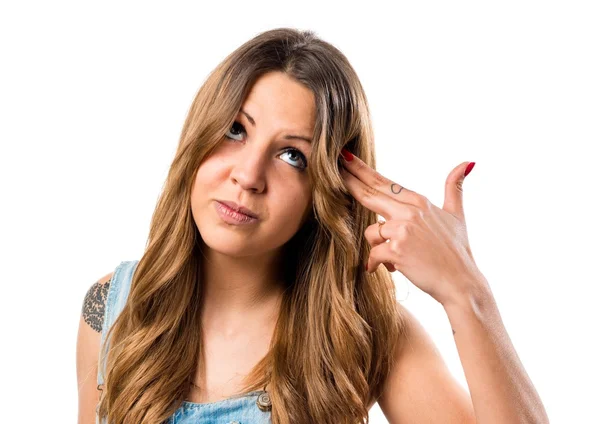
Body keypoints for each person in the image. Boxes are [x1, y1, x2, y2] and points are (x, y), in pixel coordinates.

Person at [76, 27, 548, 424]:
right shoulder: (112, 308)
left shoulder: (361, 331)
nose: (248, 176)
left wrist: (466, 292)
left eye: (292, 156)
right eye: (235, 130)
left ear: (327, 189)